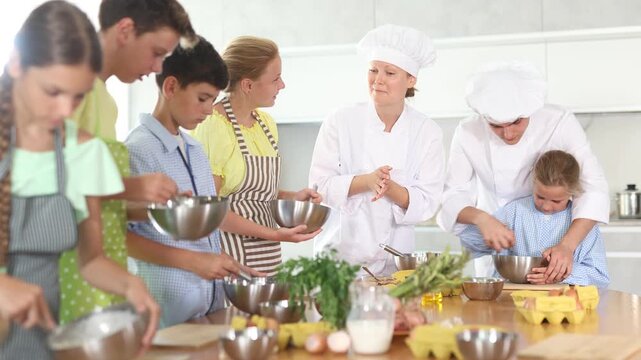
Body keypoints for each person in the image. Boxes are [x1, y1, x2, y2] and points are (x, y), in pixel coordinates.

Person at [0, 2, 159, 358]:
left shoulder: (82, 151)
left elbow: (91, 260)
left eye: (78, 97)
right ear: (16, 63)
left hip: (41, 347)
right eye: (53, 92)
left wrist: (130, 284)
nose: (64, 111)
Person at [125, 36, 292, 327]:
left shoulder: (195, 152)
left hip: (207, 306)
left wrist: (221, 258)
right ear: (171, 87)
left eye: (213, 100)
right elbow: (119, 236)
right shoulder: (138, 150)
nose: (207, 109)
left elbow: (207, 226)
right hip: (165, 313)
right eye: (202, 99)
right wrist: (195, 262)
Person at [59, 0, 196, 323]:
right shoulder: (66, 86)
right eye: (157, 52)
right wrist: (135, 185)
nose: (159, 68)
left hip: (99, 267)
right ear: (125, 30)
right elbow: (54, 177)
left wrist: (151, 210)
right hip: (64, 267)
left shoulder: (106, 101)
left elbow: (92, 201)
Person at [437, 61, 609, 282]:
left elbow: (593, 187)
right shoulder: (468, 132)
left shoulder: (559, 122)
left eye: (516, 122)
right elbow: (451, 196)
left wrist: (567, 246)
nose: (508, 134)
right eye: (496, 126)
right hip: (497, 243)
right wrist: (482, 219)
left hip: (560, 235)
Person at [308, 24, 445, 276]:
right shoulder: (340, 120)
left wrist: (391, 190)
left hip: (395, 266)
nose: (378, 79)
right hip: (338, 265)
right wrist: (366, 182)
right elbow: (319, 188)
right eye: (373, 70)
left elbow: (428, 202)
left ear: (411, 80)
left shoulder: (427, 131)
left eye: (390, 72)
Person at [192, 36, 321, 275]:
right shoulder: (214, 125)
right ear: (248, 85)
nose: (282, 85)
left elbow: (254, 196)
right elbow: (209, 211)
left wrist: (292, 197)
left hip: (268, 255)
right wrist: (274, 233)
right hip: (230, 255)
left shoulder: (266, 124)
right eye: (275, 79)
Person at [459, 150, 609, 288]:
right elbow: (470, 245)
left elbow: (599, 276)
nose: (546, 207)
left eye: (556, 201)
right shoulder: (514, 211)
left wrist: (563, 273)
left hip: (564, 302)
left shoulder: (583, 225)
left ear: (572, 193)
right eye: (540, 197)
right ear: (533, 182)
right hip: (511, 299)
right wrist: (487, 232)